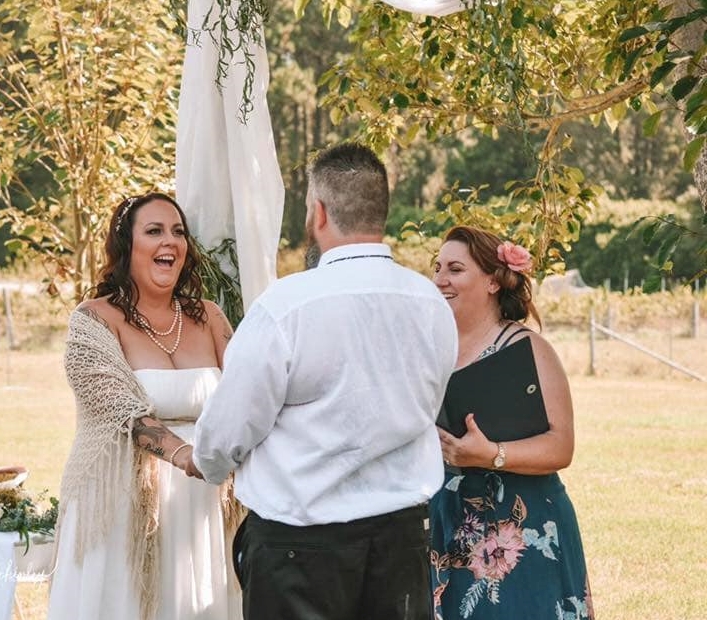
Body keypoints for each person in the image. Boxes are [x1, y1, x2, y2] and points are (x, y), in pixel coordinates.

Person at [186, 143, 459, 620]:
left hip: (300, 549)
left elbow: (231, 425)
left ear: (319, 212)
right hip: (401, 543)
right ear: (381, 211)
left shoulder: (286, 306)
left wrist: (206, 461)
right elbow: (427, 401)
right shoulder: (429, 303)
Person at [47, 192, 242, 620]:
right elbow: (123, 412)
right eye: (154, 231)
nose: (169, 241)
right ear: (126, 246)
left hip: (202, 509)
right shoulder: (93, 320)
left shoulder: (210, 316)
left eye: (178, 232)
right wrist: (186, 454)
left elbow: (246, 394)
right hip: (123, 506)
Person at [429, 225, 594, 620]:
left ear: (492, 281)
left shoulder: (528, 349)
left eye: (455, 269)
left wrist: (492, 454)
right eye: (437, 268)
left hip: (522, 524)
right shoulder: (431, 349)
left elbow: (561, 446)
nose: (440, 279)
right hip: (449, 521)